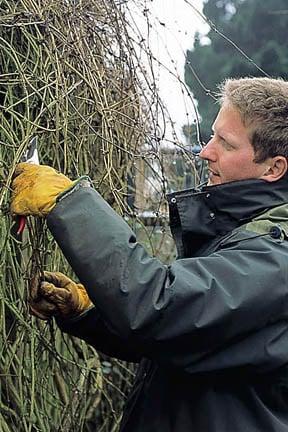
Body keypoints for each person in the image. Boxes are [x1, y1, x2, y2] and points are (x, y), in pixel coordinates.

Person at [10, 77, 288, 432]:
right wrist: (90, 313)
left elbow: (161, 310)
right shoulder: (241, 236)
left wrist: (68, 202)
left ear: (273, 168)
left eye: (226, 143)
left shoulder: (276, 257)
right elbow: (183, 341)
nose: (206, 151)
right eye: (213, 135)